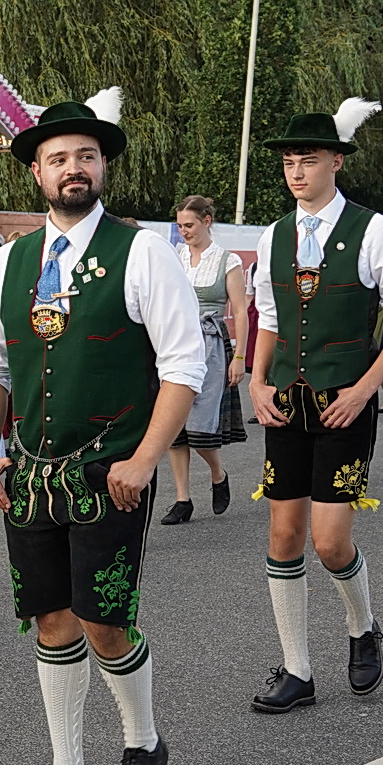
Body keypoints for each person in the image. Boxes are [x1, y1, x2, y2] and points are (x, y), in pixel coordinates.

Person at [0, 90, 201, 765]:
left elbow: (183, 366)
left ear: (104, 168)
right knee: (51, 618)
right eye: (59, 157)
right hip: (30, 471)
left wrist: (146, 459)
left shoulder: (142, 252)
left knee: (105, 620)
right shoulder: (12, 260)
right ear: (36, 173)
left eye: (87, 156)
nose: (75, 168)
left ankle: (143, 743)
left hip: (112, 473)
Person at [248, 99, 383, 714]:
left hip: (346, 399)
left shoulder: (373, 230)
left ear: (336, 163)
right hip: (286, 401)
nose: (297, 172)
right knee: (283, 532)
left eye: (309, 160)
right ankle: (296, 668)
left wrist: (365, 388)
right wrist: (256, 379)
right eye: (290, 163)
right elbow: (267, 316)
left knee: (328, 542)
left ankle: (362, 626)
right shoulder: (275, 235)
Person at [161, 195, 248, 525]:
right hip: (175, 344)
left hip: (211, 346)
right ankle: (183, 499)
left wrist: (239, 357)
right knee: (173, 428)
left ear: (207, 221)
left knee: (200, 428)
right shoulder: (175, 257)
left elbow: (240, 311)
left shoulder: (228, 260)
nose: (184, 231)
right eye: (180, 225)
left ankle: (218, 473)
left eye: (190, 225)